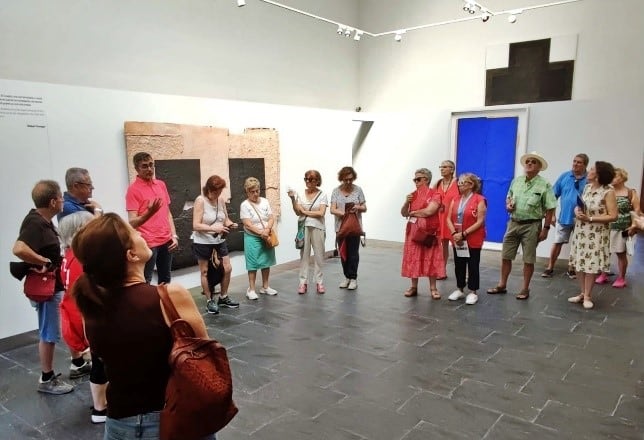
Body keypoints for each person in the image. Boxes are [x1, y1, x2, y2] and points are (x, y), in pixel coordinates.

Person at [70, 213, 214, 439]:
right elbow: (204, 353)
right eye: (134, 232)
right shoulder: (169, 296)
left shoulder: (91, 307)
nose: (140, 233)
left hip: (119, 424)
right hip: (174, 417)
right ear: (131, 254)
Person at [12, 180, 74, 394]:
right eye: (61, 197)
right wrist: (42, 261)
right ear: (53, 201)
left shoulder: (43, 222)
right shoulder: (35, 223)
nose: (63, 201)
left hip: (52, 287)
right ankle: (47, 378)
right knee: (49, 332)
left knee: (49, 331)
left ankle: (48, 376)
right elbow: (19, 249)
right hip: (47, 290)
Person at [59, 211, 108, 424]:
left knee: (101, 361)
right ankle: (100, 409)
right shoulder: (80, 260)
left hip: (81, 317)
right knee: (101, 362)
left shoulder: (69, 257)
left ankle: (102, 403)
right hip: (90, 319)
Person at [487, 151, 556, 300]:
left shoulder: (544, 185)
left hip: (532, 225)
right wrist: (508, 205)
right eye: (528, 161)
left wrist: (546, 228)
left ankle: (525, 288)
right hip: (513, 222)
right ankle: (502, 284)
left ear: (539, 167)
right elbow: (508, 198)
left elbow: (551, 208)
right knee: (506, 256)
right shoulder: (516, 181)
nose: (529, 163)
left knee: (528, 259)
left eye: (533, 162)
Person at [568, 162, 618, 309]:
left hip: (596, 233)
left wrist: (590, 219)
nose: (589, 171)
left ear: (598, 174)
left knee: (591, 264)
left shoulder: (608, 191)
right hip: (581, 230)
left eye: (592, 169)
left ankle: (588, 295)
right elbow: (582, 204)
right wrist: (577, 211)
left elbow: (613, 215)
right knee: (579, 262)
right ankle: (582, 293)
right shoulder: (588, 187)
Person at [125, 152, 179, 284]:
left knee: (166, 280)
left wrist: (174, 235)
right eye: (144, 166)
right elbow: (132, 222)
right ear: (137, 169)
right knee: (145, 280)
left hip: (166, 241)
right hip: (148, 243)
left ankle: (164, 305)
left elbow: (168, 213)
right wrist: (150, 212)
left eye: (151, 165)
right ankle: (147, 305)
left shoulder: (161, 184)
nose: (149, 169)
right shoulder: (133, 190)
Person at [192, 175, 240, 314]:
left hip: (219, 240)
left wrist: (231, 224)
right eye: (215, 192)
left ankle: (223, 297)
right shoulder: (200, 201)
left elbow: (225, 218)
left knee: (227, 268)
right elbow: (196, 225)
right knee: (205, 271)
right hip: (203, 241)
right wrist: (214, 228)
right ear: (209, 189)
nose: (218, 194)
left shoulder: (220, 200)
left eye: (220, 192)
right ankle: (209, 300)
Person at [541, 154, 589, 279]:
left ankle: (572, 268)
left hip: (583, 218)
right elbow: (552, 197)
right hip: (565, 216)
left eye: (579, 162)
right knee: (558, 242)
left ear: (585, 165)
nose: (575, 164)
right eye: (574, 161)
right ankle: (550, 267)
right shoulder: (564, 176)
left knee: (578, 244)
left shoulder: (590, 179)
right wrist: (551, 215)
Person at [400, 168, 444, 299]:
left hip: (429, 232)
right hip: (413, 232)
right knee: (414, 257)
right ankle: (413, 287)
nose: (415, 181)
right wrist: (407, 202)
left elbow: (429, 211)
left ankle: (433, 288)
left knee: (431, 258)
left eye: (418, 179)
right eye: (415, 179)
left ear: (426, 179)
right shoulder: (412, 195)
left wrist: (413, 213)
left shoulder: (435, 194)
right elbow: (403, 213)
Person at [446, 173, 487, 305]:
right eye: (459, 182)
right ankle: (459, 289)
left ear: (471, 185)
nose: (460, 185)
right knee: (459, 264)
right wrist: (454, 233)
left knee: (473, 264)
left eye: (463, 182)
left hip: (472, 238)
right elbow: (448, 218)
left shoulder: (479, 199)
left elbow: (480, 221)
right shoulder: (455, 199)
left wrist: (463, 234)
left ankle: (473, 291)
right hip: (457, 238)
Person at [594, 168, 640, 288]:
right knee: (604, 252)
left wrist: (633, 227)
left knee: (620, 253)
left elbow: (637, 212)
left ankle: (621, 278)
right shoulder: (608, 191)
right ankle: (604, 274)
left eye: (615, 176)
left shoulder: (630, 193)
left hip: (622, 228)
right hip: (607, 226)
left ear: (622, 178)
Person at [287, 170, 328, 294]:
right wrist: (293, 199)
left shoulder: (322, 195)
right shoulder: (300, 194)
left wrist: (304, 211)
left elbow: (321, 213)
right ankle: (302, 282)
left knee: (319, 255)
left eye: (311, 180)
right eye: (306, 179)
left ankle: (319, 282)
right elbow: (297, 211)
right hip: (304, 227)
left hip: (318, 227)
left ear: (317, 181)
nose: (308, 182)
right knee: (304, 256)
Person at [239, 177, 278, 300]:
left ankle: (265, 287)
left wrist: (266, 230)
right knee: (253, 264)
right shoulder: (245, 205)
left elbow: (271, 218)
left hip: (266, 235)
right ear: (247, 191)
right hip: (252, 237)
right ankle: (251, 289)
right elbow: (247, 224)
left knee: (266, 261)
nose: (255, 194)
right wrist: (261, 233)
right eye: (252, 192)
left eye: (257, 191)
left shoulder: (265, 201)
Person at [330, 166, 367, 290]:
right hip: (340, 227)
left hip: (354, 227)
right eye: (345, 179)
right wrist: (343, 212)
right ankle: (346, 277)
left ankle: (353, 278)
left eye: (350, 179)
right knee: (343, 253)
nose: (348, 182)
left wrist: (357, 207)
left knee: (353, 254)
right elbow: (332, 209)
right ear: (341, 178)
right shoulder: (336, 191)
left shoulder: (358, 190)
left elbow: (365, 207)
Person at [435, 160, 459, 279]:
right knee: (442, 245)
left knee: (459, 245)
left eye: (445, 167)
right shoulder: (438, 183)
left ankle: (464, 272)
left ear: (452, 169)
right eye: (441, 166)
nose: (442, 169)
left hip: (454, 219)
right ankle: (442, 270)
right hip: (440, 217)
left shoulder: (458, 182)